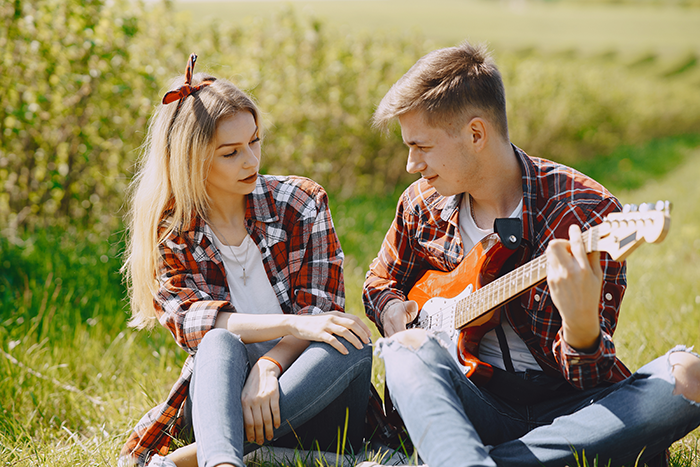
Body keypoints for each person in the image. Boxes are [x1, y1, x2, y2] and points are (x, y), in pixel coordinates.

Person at [360, 42, 700, 467]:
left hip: (571, 410)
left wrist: (580, 326)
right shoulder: (421, 204)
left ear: (476, 134)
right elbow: (378, 282)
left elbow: (588, 377)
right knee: (406, 348)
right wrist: (393, 310)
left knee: (689, 375)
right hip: (470, 403)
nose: (412, 165)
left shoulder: (585, 212)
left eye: (422, 147)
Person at [118, 54, 373, 467]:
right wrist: (290, 324)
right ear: (191, 158)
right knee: (218, 341)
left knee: (351, 339)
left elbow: (321, 312)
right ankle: (226, 461)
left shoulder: (302, 202)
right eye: (231, 152)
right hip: (227, 402)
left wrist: (271, 366)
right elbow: (194, 323)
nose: (251, 161)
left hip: (316, 399)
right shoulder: (171, 231)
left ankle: (188, 461)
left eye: (254, 141)